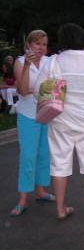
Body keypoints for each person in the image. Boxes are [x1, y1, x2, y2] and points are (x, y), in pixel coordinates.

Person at [34, 23, 84, 220]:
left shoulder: (54, 62)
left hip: (61, 121)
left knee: (59, 164)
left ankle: (61, 209)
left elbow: (39, 91)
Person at [10, 30, 54, 217]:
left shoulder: (49, 61)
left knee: (44, 155)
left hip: (47, 114)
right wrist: (27, 66)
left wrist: (33, 90)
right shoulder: (20, 62)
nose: (41, 48)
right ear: (28, 45)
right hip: (28, 116)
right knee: (28, 156)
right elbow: (21, 90)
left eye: (44, 44)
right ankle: (22, 199)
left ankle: (40, 191)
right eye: (37, 44)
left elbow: (55, 86)